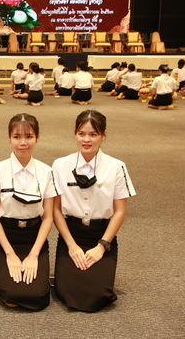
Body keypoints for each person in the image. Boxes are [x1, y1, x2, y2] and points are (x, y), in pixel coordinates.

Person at [52, 110, 135, 312]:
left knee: (98, 295)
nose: (86, 140)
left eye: (93, 134)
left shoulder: (116, 167)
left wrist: (101, 246)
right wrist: (71, 246)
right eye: (81, 134)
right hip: (71, 234)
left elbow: (120, 211)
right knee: (67, 291)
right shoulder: (60, 165)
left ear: (103, 135)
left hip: (101, 236)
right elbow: (55, 209)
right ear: (75, 134)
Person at [0, 113, 56, 311]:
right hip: (6, 237)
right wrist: (10, 254)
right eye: (17, 137)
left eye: (29, 136)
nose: (23, 142)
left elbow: (48, 217)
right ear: (9, 138)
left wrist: (33, 255)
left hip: (34, 238)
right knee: (11, 297)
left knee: (38, 296)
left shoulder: (47, 172)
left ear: (37, 138)